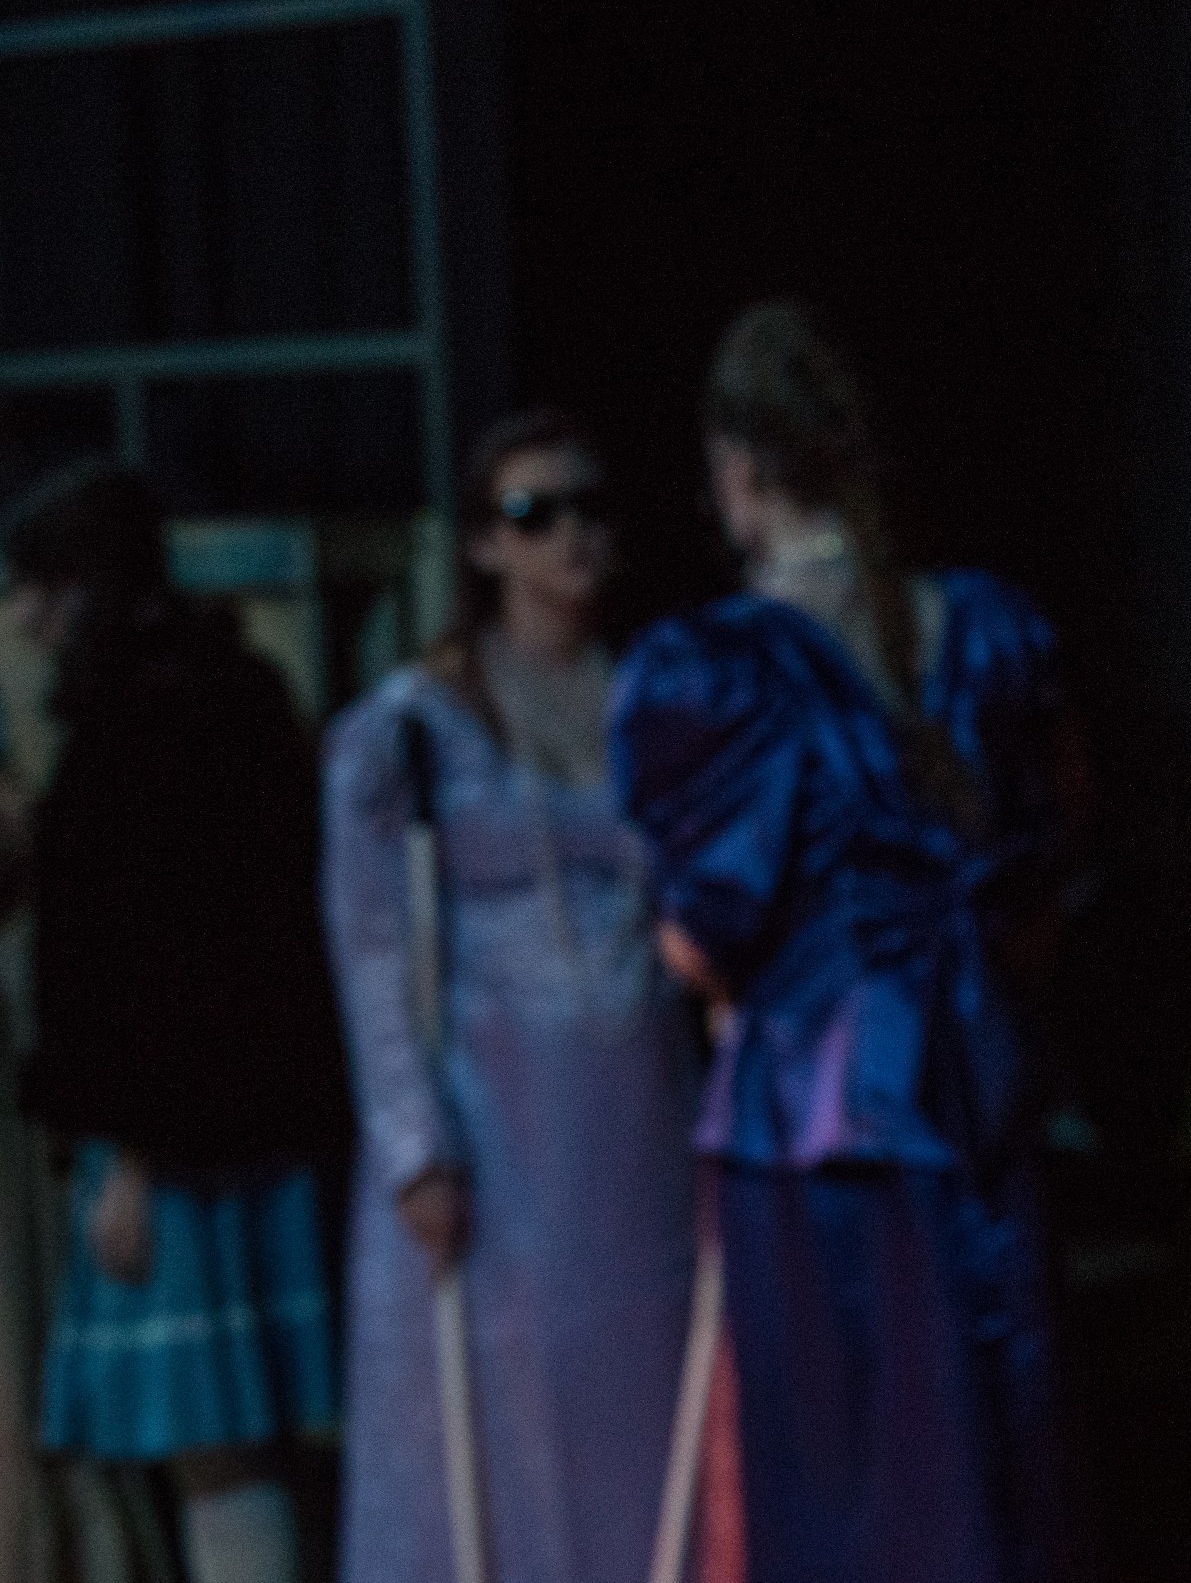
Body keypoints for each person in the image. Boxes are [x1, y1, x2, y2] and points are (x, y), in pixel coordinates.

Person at [611, 300, 1077, 1583]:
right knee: (982, 1458)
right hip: (972, 1096)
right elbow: (1045, 863)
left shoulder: (721, 669)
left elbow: (703, 935)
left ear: (738, 467)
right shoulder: (979, 631)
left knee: (847, 1480)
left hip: (815, 1123)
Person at [321, 408, 700, 1582]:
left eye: (589, 507)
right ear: (484, 542)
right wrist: (413, 1145)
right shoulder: (416, 723)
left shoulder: (651, 697)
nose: (569, 535)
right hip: (492, 1121)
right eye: (534, 513)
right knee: (492, 1416)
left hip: (636, 1117)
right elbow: (373, 943)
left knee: (638, 1412)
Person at [8, 464, 353, 1583]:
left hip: (181, 1153)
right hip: (260, 1133)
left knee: (216, 1451)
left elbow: (137, 968)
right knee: (250, 1446)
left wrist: (127, 1152)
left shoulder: (128, 728)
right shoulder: (239, 692)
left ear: (76, 589)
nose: (23, 619)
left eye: (34, 589)